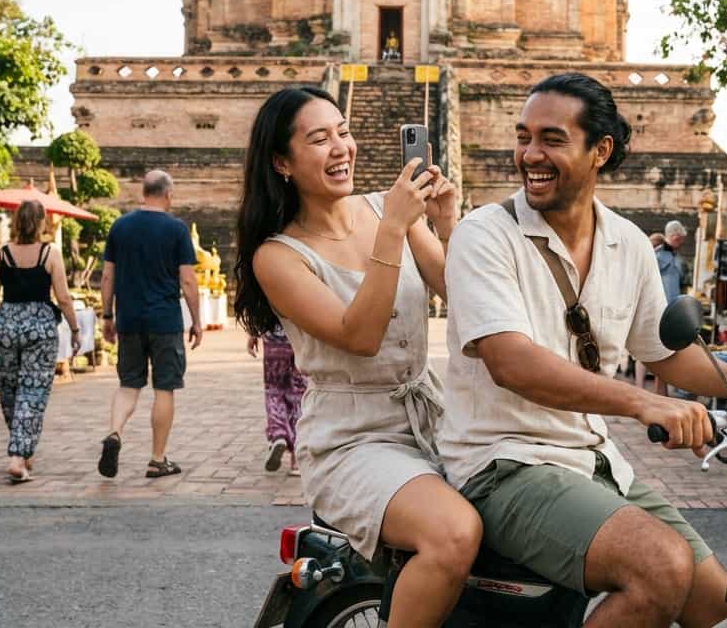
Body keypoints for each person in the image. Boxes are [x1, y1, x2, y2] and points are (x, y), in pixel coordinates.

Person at [441, 73, 727, 628]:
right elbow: (510, 362)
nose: (531, 154)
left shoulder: (626, 241)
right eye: (523, 136)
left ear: (600, 150)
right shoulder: (483, 234)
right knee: (660, 567)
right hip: (502, 462)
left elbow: (665, 351)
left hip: (595, 461)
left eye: (552, 139)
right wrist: (641, 404)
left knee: (720, 606)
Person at [234, 86, 481, 627]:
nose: (341, 147)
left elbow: (460, 292)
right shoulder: (277, 256)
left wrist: (446, 222)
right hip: (352, 441)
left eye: (343, 132)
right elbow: (360, 334)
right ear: (281, 162)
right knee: (453, 532)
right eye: (319, 139)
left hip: (430, 417)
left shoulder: (383, 208)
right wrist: (392, 229)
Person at [97, 170, 201, 480]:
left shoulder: (120, 226)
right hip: (165, 321)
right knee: (164, 388)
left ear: (143, 192)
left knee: (129, 385)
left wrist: (107, 316)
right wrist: (196, 320)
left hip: (129, 319)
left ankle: (114, 433)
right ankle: (157, 459)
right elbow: (188, 280)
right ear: (168, 194)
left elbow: (106, 276)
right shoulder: (176, 229)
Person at [0, 200, 80, 484]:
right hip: (40, 327)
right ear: (42, 222)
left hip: (6, 325)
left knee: (9, 390)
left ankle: (24, 449)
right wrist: (75, 328)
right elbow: (63, 298)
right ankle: (18, 457)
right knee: (33, 392)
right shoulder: (50, 254)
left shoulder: (1, 255)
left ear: (16, 222)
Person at [247, 325, 306, 475]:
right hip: (299, 336)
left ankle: (279, 435)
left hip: (273, 337)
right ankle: (297, 460)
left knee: (274, 391)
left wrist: (253, 332)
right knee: (298, 395)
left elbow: (259, 302)